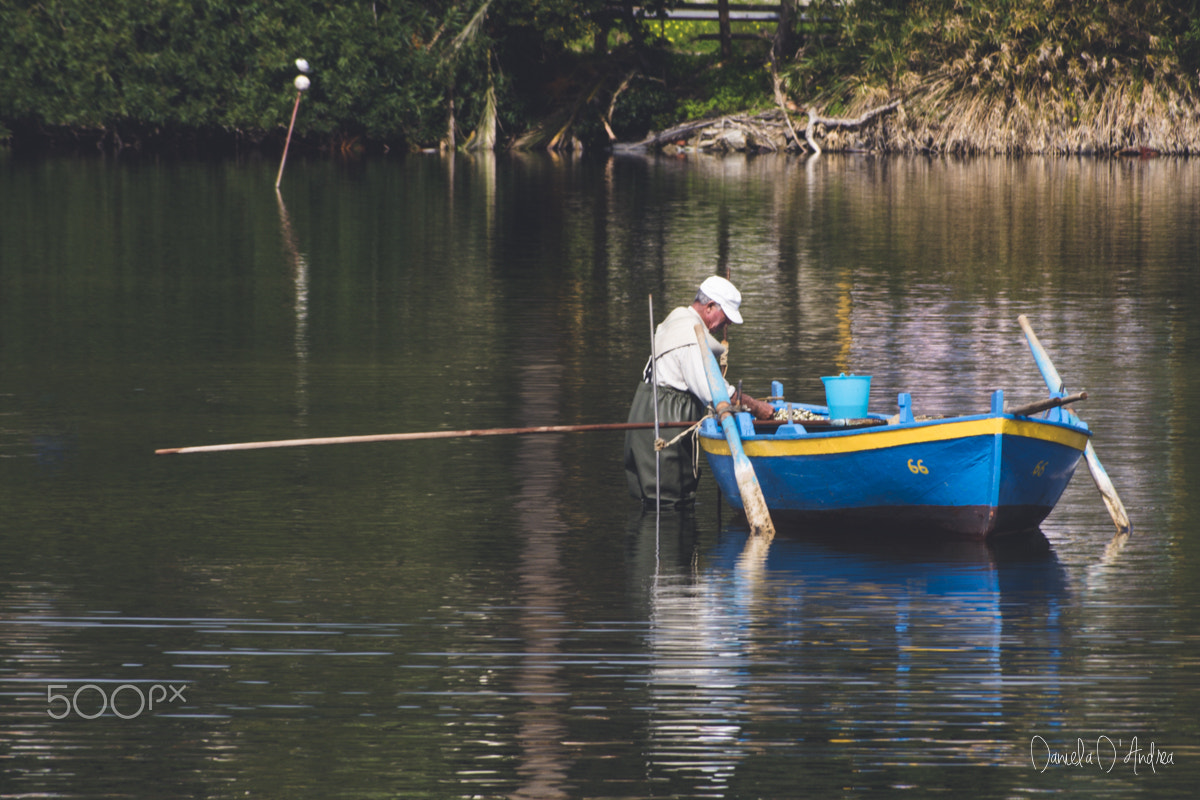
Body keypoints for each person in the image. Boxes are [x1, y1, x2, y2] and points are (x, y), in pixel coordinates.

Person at [624, 276, 775, 508]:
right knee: (669, 501)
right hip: (663, 424)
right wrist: (757, 407)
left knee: (652, 502)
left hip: (643, 413)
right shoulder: (691, 339)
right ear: (710, 307)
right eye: (725, 318)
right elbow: (719, 396)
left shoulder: (677, 317)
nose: (727, 326)